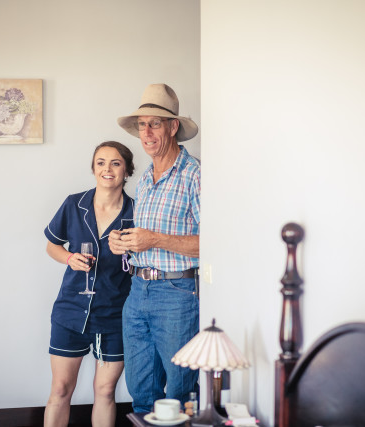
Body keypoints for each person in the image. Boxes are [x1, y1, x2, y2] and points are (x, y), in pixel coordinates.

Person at [109, 83, 201, 413]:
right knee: (140, 389)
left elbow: (216, 244)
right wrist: (123, 244)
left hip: (177, 294)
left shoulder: (195, 174)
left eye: (155, 124)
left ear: (173, 127)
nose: (146, 133)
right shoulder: (146, 178)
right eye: (141, 125)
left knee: (178, 390)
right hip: (137, 290)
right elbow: (143, 239)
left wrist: (154, 239)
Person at [43, 141, 135, 427]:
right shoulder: (74, 204)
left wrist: (131, 254)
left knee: (105, 391)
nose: (107, 169)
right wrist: (70, 258)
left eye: (116, 163)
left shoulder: (137, 212)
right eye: (101, 162)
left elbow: (146, 261)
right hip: (70, 312)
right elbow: (52, 246)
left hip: (114, 315)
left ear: (127, 170)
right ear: (94, 168)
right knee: (60, 389)